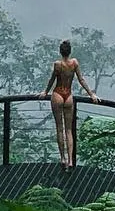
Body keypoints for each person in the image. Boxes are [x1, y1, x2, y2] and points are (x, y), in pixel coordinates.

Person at [40, 39, 98, 169]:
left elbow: (52, 80)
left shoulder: (58, 64)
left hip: (58, 95)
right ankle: (71, 160)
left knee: (59, 129)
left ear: (60, 52)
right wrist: (91, 94)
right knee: (69, 130)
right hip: (69, 97)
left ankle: (62, 158)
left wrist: (45, 92)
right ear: (70, 52)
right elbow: (81, 79)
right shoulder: (74, 63)